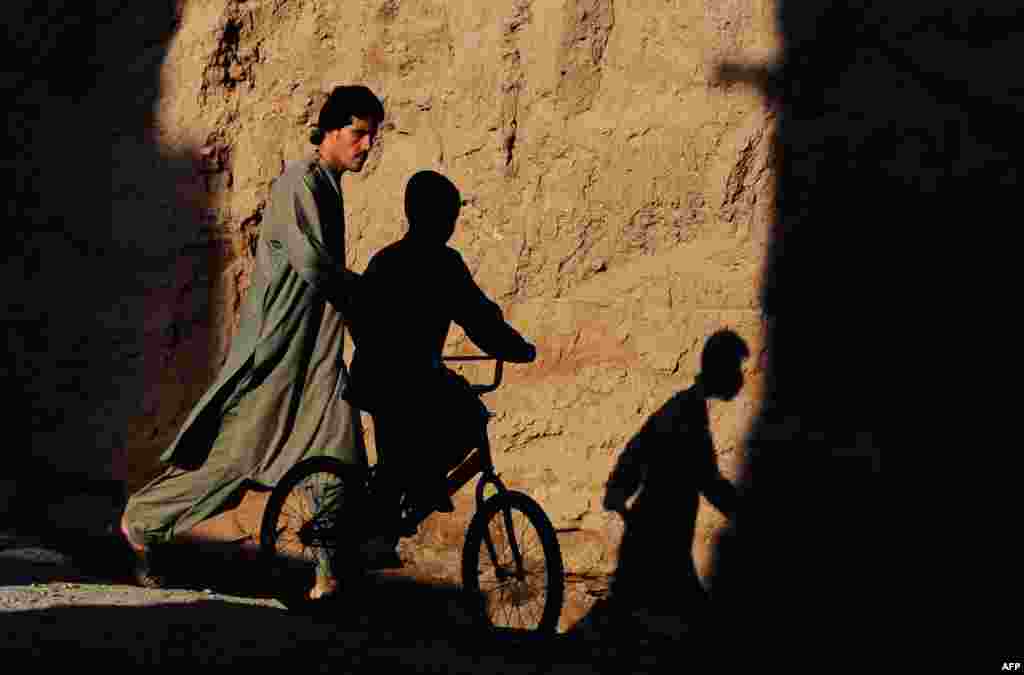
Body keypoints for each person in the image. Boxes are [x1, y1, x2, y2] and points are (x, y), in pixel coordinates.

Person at [120, 85, 385, 590]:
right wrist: (361, 291)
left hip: (319, 352)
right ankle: (145, 520)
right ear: (329, 130)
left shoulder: (329, 186)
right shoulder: (299, 183)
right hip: (278, 353)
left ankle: (328, 575)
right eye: (358, 133)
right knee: (238, 462)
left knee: (340, 460)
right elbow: (310, 263)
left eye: (372, 135)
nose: (367, 145)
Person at [344, 170, 536, 529]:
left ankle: (392, 514)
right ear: (440, 218)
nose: (451, 225)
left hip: (375, 377)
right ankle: (411, 494)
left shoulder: (386, 259)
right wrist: (517, 349)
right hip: (407, 378)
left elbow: (358, 313)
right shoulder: (444, 264)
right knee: (469, 417)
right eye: (450, 217)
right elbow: (479, 318)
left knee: (397, 456)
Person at [596, 329, 747, 623]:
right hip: (658, 533)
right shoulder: (686, 412)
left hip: (659, 532)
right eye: (736, 369)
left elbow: (639, 448)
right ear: (720, 369)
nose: (741, 377)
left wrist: (618, 488)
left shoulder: (687, 406)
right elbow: (707, 479)